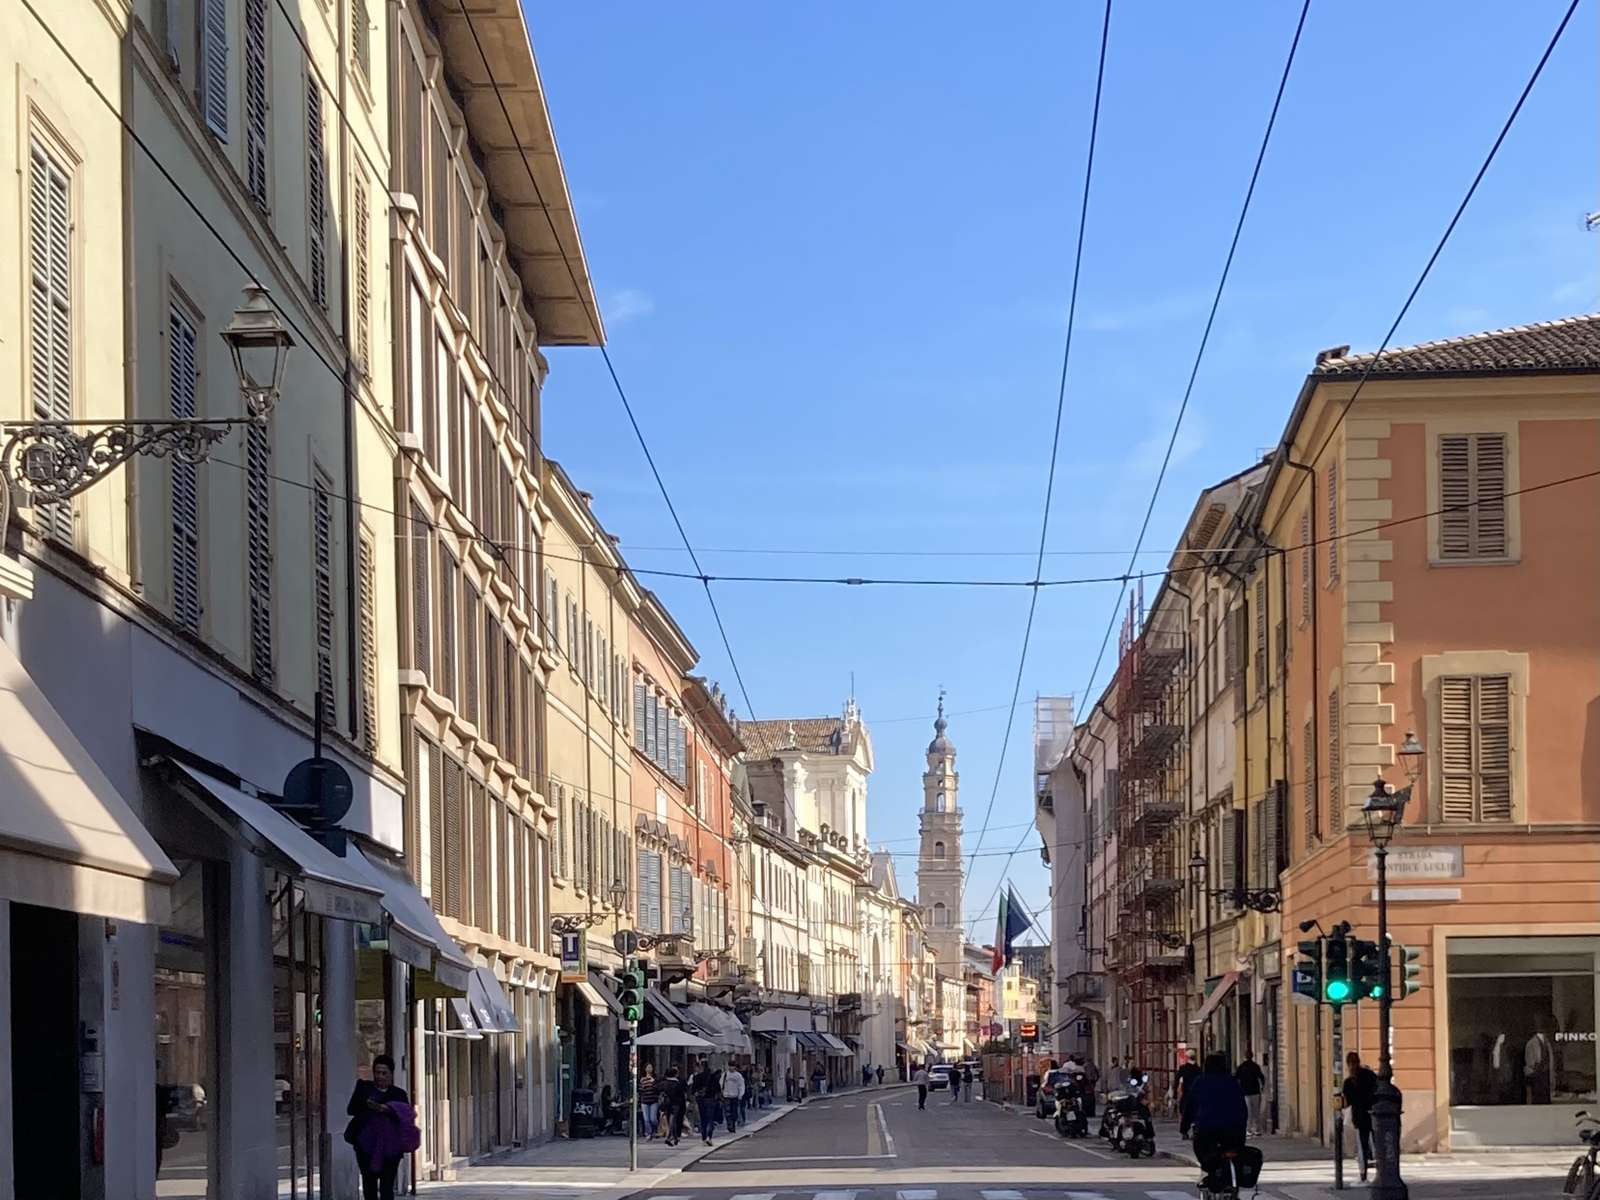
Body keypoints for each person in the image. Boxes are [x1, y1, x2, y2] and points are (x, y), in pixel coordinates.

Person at [345, 1055, 412, 1200]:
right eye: (377, 1072)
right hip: (366, 1147)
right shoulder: (364, 1089)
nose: (380, 1076)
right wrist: (367, 1105)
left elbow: (406, 1116)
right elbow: (351, 1109)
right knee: (369, 1185)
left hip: (390, 1149)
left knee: (386, 1187)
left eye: (384, 1073)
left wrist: (387, 1109)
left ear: (391, 1074)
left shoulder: (398, 1094)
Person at [1180, 1053, 1248, 1175]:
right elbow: (1242, 1106)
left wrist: (1184, 1127)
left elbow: (1190, 1106)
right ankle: (1233, 1182)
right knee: (1235, 1151)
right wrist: (1242, 1126)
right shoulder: (1232, 1082)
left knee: (1203, 1152)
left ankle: (1208, 1174)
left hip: (1207, 1127)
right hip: (1233, 1128)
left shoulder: (1200, 1082)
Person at [1342, 1051, 1378, 1174]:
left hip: (1360, 1115)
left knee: (1363, 1143)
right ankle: (1377, 1163)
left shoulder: (1349, 1082)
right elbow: (1377, 1090)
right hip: (1373, 1113)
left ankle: (1364, 1172)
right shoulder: (1369, 1075)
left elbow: (1347, 1102)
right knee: (1376, 1140)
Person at [1235, 1049, 1266, 1136]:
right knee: (1256, 1111)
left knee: (1248, 1112)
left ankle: (1248, 1129)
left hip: (1245, 1092)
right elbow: (1261, 1077)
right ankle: (1256, 1129)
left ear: (1244, 1056)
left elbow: (1236, 1078)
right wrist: (1262, 1086)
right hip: (1255, 1091)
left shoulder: (1241, 1067)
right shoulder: (1255, 1066)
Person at [1526, 1015, 1556, 1104]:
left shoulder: (1547, 1042)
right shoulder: (1531, 1043)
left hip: (1546, 1079)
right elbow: (1530, 1062)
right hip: (1537, 1079)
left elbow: (1551, 1061)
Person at [693, 1058, 723, 1145]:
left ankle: (703, 1137)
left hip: (701, 1100)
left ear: (701, 1066)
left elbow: (693, 1090)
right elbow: (718, 1089)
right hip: (711, 1099)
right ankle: (709, 1137)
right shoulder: (713, 1077)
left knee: (703, 1119)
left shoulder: (697, 1077)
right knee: (710, 1119)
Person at [661, 1065, 688, 1146]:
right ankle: (671, 1137)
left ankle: (673, 1137)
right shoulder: (677, 1083)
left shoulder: (664, 1083)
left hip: (666, 1104)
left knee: (671, 1121)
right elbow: (682, 1094)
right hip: (675, 1104)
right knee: (673, 1121)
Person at [1175, 1049, 1201, 1124]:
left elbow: (1177, 1080)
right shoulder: (1198, 1069)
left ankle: (1184, 1130)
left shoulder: (1183, 1068)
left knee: (1184, 1110)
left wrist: (1175, 1095)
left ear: (1187, 1057)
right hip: (1197, 1093)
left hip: (1186, 1093)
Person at [722, 1061, 747, 1133]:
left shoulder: (738, 1075)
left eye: (732, 1066)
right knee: (727, 1112)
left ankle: (733, 1124)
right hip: (726, 1096)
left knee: (734, 1112)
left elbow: (741, 1085)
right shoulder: (725, 1074)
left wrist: (740, 1095)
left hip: (735, 1096)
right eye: (730, 1066)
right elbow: (721, 1084)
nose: (731, 1067)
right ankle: (729, 1125)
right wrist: (722, 1093)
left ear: (735, 1067)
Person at [639, 1063, 661, 1141]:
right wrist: (643, 1086)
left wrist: (654, 1082)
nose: (649, 1069)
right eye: (648, 1067)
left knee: (653, 1118)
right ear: (645, 1069)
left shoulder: (655, 1078)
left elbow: (658, 1089)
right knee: (646, 1119)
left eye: (651, 1067)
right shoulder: (642, 1079)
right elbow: (640, 1090)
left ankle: (655, 1130)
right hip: (644, 1101)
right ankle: (648, 1133)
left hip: (653, 1100)